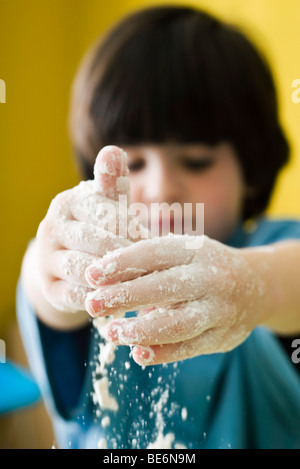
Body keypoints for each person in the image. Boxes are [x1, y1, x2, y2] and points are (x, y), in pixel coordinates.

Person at [17, 5, 300, 449]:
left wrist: (257, 286)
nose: (162, 188)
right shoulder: (102, 270)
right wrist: (54, 266)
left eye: (196, 160)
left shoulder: (274, 246)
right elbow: (46, 289)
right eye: (135, 163)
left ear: (252, 171)